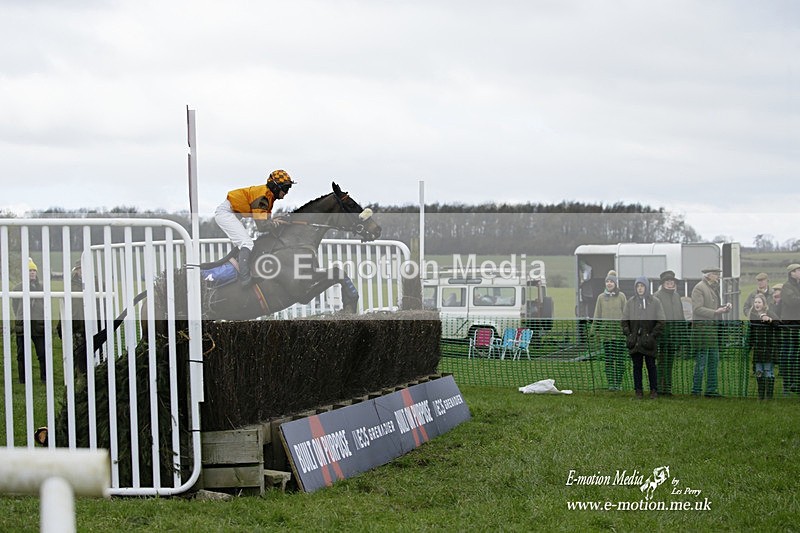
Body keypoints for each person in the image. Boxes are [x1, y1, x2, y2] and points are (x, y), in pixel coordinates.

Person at [214, 169, 296, 286]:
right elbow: (262, 227)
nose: (286, 192)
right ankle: (245, 278)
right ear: (276, 187)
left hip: (231, 214)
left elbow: (266, 221)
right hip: (226, 214)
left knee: (244, 243)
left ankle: (240, 270)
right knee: (247, 244)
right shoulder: (263, 197)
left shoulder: (268, 196)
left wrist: (274, 221)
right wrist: (275, 223)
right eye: (286, 188)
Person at [691, 267, 731, 397]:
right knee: (701, 362)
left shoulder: (713, 288)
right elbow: (697, 309)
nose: (718, 276)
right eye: (715, 274)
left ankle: (711, 390)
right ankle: (696, 391)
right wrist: (715, 312)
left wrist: (723, 309)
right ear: (708, 276)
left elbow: (713, 307)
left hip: (712, 331)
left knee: (713, 361)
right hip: (702, 331)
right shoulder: (699, 288)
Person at [622, 277, 665, 399]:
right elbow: (624, 321)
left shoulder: (655, 302)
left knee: (651, 366)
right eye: (638, 286)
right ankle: (638, 391)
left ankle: (653, 390)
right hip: (635, 342)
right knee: (637, 367)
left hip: (649, 342)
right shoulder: (631, 302)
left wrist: (652, 336)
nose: (640, 288)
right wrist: (629, 334)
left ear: (646, 287)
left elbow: (661, 321)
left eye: (642, 286)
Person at [590, 270, 627, 391]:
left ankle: (618, 383)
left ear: (616, 283)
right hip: (607, 335)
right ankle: (611, 383)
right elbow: (597, 315)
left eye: (611, 281)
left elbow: (627, 314)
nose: (609, 284)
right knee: (609, 360)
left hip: (620, 335)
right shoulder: (601, 298)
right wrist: (593, 330)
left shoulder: (621, 296)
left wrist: (628, 330)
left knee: (620, 361)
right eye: (607, 281)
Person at [12, 258, 46, 383]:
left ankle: (44, 378)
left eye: (34, 271)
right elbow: (15, 306)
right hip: (23, 324)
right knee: (22, 355)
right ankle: (23, 379)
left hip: (38, 324)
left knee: (42, 353)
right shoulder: (17, 288)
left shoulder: (42, 287)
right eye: (29, 270)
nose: (32, 273)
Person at [653, 270, 686, 396]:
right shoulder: (656, 296)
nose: (670, 284)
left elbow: (681, 315)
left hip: (674, 336)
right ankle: (659, 388)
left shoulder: (677, 296)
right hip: (661, 336)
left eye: (672, 281)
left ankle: (667, 388)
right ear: (663, 283)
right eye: (667, 281)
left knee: (669, 362)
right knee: (661, 362)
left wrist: (683, 334)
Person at [745, 293, 780, 400]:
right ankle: (761, 395)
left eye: (759, 302)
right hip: (758, 348)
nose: (757, 304)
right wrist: (748, 346)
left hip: (769, 347)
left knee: (768, 370)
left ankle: (769, 396)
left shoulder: (769, 312)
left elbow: (778, 324)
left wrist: (769, 320)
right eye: (755, 302)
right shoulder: (752, 315)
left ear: (764, 303)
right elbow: (751, 332)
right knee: (759, 371)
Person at [56, 261, 87, 376]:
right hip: (76, 323)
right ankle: (75, 374)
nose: (81, 271)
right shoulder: (70, 285)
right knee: (76, 351)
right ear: (76, 270)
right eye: (79, 269)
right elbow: (63, 307)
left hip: (90, 323)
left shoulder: (94, 283)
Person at [779, 263, 800, 394]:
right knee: (789, 354)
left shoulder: (797, 285)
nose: (799, 272)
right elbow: (793, 302)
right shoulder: (787, 286)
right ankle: (788, 383)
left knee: (796, 355)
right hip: (789, 325)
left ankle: (795, 383)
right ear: (791, 273)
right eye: (797, 270)